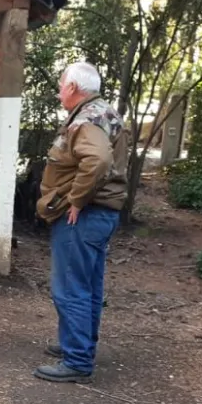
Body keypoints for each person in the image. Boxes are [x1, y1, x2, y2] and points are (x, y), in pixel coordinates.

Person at [34, 62, 128, 383]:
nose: (60, 90)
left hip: (85, 216)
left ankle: (77, 360)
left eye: (62, 84)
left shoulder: (88, 120)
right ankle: (77, 345)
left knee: (70, 287)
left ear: (73, 88)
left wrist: (76, 199)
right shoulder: (104, 112)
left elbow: (97, 160)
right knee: (87, 285)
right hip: (101, 215)